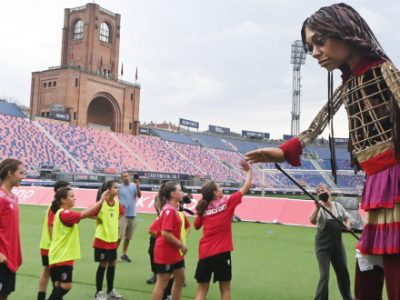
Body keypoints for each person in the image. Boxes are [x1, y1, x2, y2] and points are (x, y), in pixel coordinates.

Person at [245, 3, 400, 299]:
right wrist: (283, 151)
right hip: (378, 183)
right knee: (370, 264)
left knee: (391, 262)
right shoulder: (347, 85)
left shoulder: (384, 70)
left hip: (394, 178)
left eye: (319, 41)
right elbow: (316, 125)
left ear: (345, 34)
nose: (315, 52)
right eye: (309, 46)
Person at [194, 160, 252, 300]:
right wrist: (249, 171)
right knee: (225, 289)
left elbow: (196, 226)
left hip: (205, 253)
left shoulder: (202, 207)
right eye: (219, 187)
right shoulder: (228, 203)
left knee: (202, 290)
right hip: (222, 252)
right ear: (214, 192)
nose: (221, 189)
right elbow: (245, 188)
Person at [47, 187, 106, 300]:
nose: (74, 198)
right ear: (63, 200)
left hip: (57, 255)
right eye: (71, 196)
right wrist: (101, 201)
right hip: (62, 256)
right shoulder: (65, 214)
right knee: (66, 286)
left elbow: (85, 214)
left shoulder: (61, 213)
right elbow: (83, 214)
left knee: (58, 285)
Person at [309, 184, 352, 300]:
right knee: (324, 275)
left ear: (329, 192)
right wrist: (317, 208)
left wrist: (347, 225)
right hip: (323, 248)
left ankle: (348, 297)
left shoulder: (338, 206)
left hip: (337, 246)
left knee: (343, 273)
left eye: (322, 190)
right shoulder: (320, 208)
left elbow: (347, 217)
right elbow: (311, 220)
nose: (320, 193)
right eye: (318, 192)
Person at [151, 181, 190, 300]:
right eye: (180, 190)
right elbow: (165, 233)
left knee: (180, 279)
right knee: (162, 282)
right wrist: (181, 245)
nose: (182, 193)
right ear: (173, 194)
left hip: (174, 252)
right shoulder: (169, 210)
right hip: (166, 252)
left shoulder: (172, 209)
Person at [37, 180, 71, 300]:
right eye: (67, 189)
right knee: (56, 276)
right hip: (50, 246)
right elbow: (51, 227)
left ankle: (42, 297)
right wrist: (57, 244)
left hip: (47, 245)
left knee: (48, 271)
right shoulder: (55, 207)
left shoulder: (55, 206)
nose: (70, 191)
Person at [93, 181, 125, 300]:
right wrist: (99, 219)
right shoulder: (101, 203)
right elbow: (91, 212)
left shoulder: (116, 203)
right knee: (103, 264)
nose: (117, 190)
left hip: (112, 239)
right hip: (102, 239)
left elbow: (121, 213)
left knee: (112, 263)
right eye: (115, 187)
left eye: (118, 187)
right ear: (108, 190)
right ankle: (99, 292)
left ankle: (110, 290)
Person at [0, 158, 24, 300]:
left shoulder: (13, 198)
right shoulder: (1, 198)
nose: (23, 176)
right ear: (10, 173)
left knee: (5, 294)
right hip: (2, 256)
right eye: (20, 173)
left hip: (10, 256)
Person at [117, 172, 141, 262]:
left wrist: (138, 186)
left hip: (132, 214)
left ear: (129, 177)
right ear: (121, 178)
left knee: (128, 236)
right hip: (123, 215)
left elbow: (139, 195)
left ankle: (123, 254)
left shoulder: (134, 185)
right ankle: (112, 254)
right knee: (119, 236)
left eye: (127, 176)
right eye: (124, 177)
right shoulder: (118, 187)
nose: (126, 178)